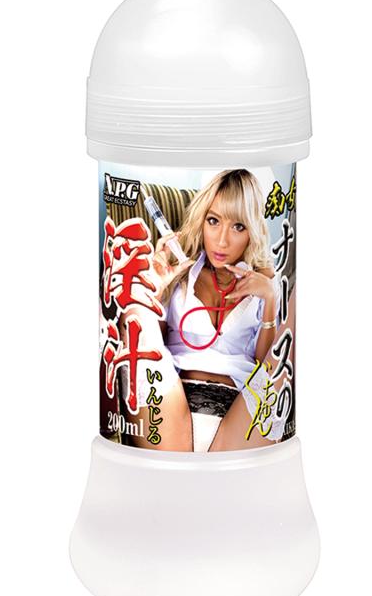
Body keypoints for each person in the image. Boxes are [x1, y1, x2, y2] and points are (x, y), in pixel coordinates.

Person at [123, 169, 289, 452]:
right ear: (202, 220)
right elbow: (152, 344)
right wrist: (154, 288)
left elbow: (267, 364)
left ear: (252, 231)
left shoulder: (264, 282)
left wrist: (270, 299)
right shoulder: (179, 269)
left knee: (293, 313)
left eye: (238, 227)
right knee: (136, 306)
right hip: (170, 407)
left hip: (240, 418)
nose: (222, 240)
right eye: (214, 221)